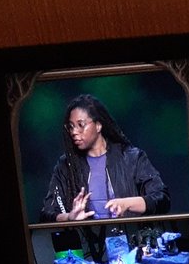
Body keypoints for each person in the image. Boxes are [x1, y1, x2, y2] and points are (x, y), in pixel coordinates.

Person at [40, 94, 170, 222]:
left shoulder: (132, 158)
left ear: (98, 125)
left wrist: (127, 204)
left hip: (130, 234)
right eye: (71, 127)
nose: (74, 132)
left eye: (81, 125)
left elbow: (161, 198)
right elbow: (47, 213)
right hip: (85, 235)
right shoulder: (66, 165)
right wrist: (70, 217)